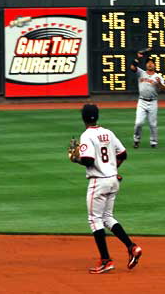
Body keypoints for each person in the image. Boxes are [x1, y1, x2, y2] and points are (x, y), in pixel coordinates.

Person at [70, 104, 143, 274]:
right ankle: (132, 247)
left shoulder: (87, 135)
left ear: (83, 118)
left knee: (94, 220)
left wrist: (76, 159)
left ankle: (106, 261)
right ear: (97, 116)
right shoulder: (108, 133)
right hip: (113, 180)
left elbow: (88, 160)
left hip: (99, 182)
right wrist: (113, 169)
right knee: (107, 217)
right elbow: (123, 154)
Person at [130, 53, 165, 149]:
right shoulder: (141, 73)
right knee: (138, 123)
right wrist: (137, 57)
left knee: (152, 124)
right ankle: (136, 140)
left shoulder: (158, 77)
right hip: (142, 101)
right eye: (148, 63)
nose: (150, 64)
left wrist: (159, 84)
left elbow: (163, 89)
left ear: (155, 65)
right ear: (146, 65)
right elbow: (132, 67)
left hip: (153, 102)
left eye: (152, 63)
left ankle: (153, 142)